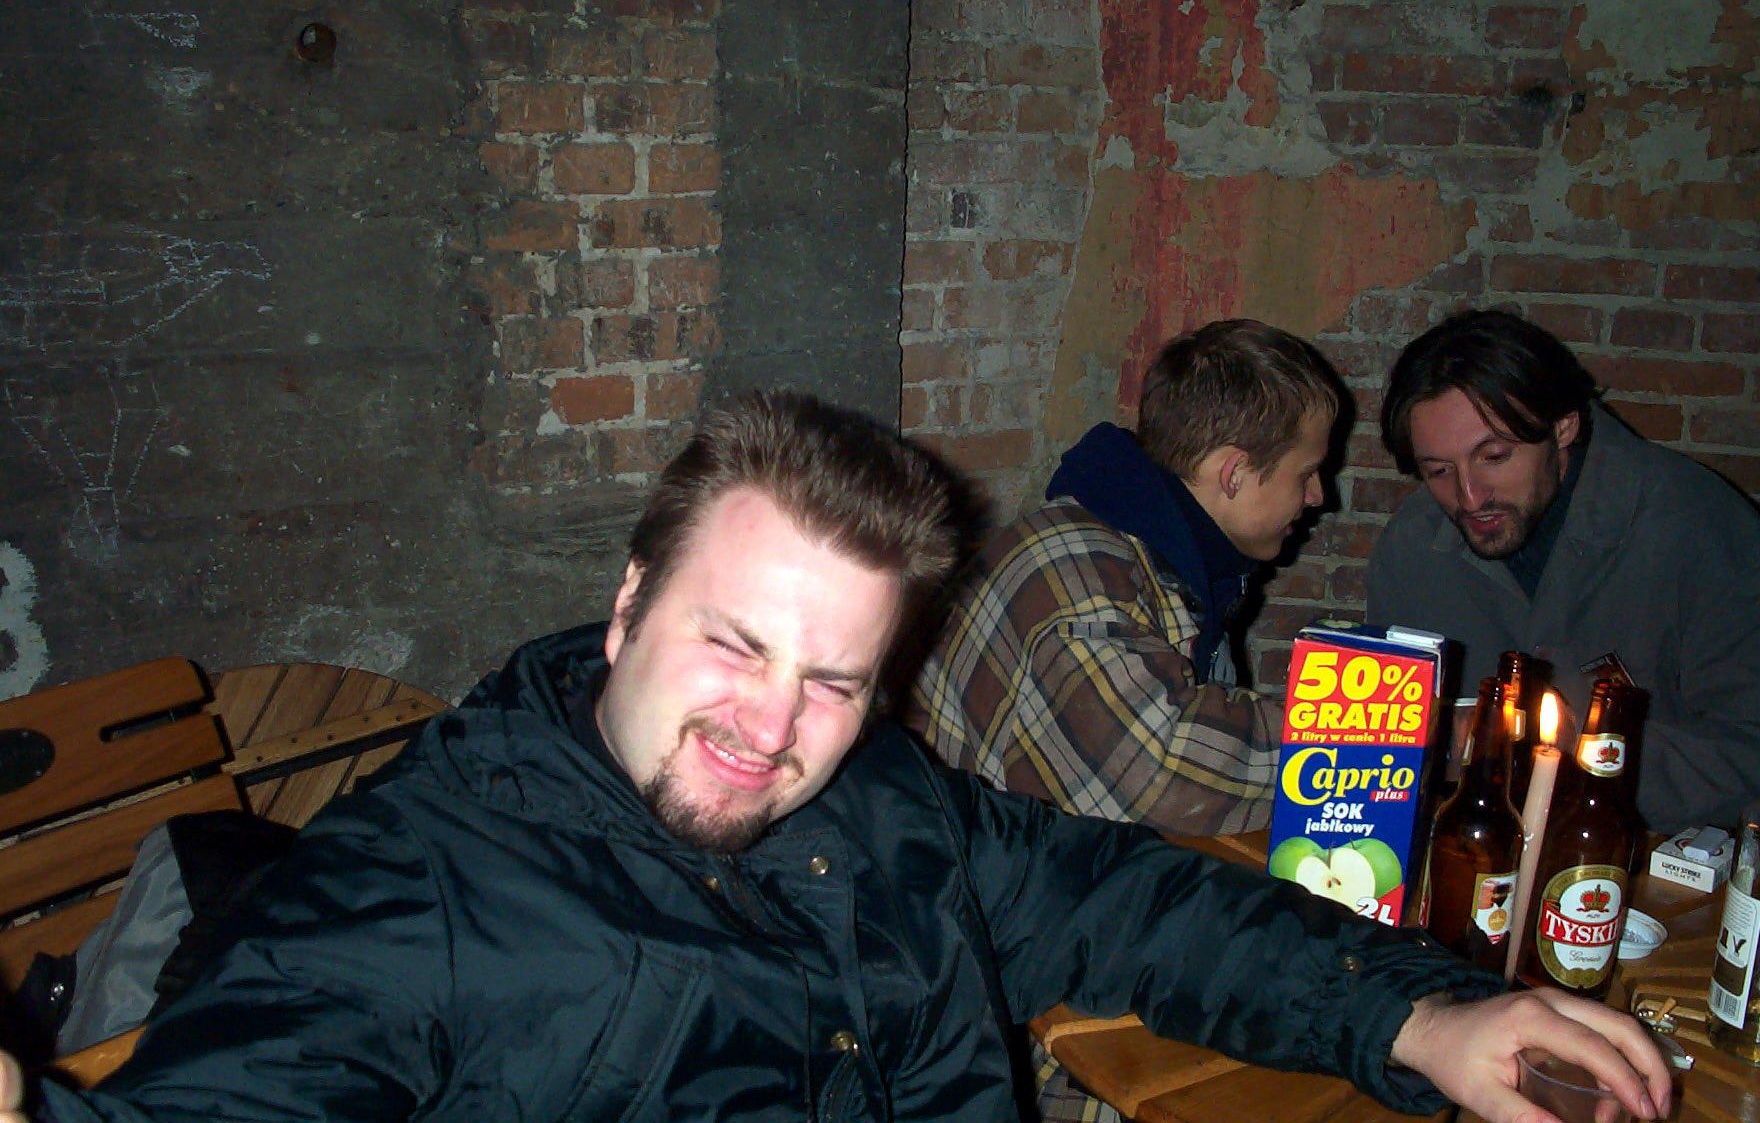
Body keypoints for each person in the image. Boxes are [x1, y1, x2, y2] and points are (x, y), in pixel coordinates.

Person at [4, 392, 1669, 1123]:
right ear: (629, 605)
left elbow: (1123, 899)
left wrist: (1422, 1014)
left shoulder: (877, 797)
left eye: (835, 680)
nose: (771, 726)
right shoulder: (423, 892)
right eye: (733, 643)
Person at [909, 320, 1339, 838]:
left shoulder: (1162, 556)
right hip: (956, 879)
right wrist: (1364, 746)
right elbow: (1161, 775)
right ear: (1234, 474)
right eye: (1305, 473)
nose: (1319, 495)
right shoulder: (1077, 576)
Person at [1368, 309, 1760, 832]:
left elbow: (1748, 752)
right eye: (1438, 471)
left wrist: (1585, 751)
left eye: (1494, 456)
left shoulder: (1700, 524)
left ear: (1562, 426)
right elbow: (1382, 755)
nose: (1469, 497)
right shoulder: (1412, 546)